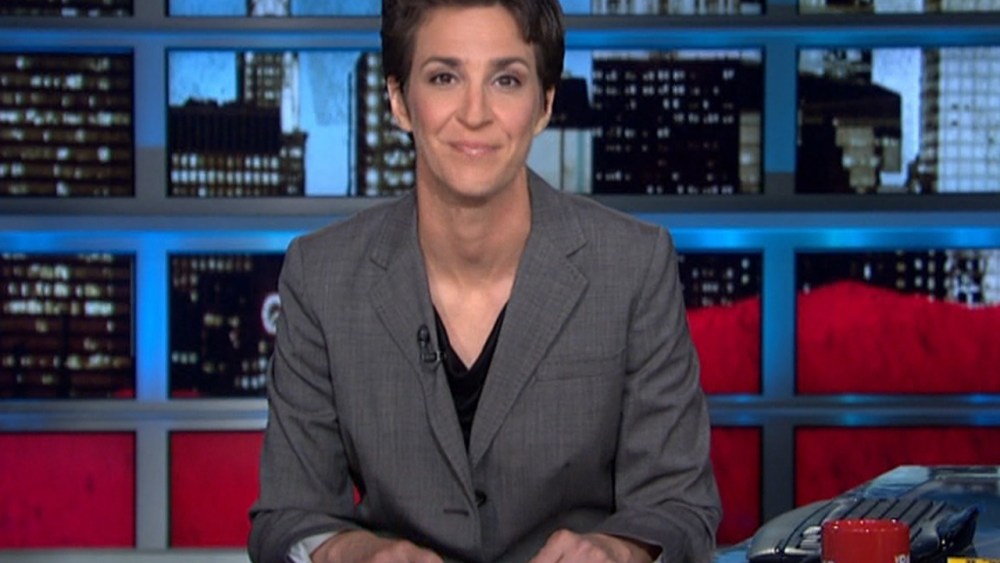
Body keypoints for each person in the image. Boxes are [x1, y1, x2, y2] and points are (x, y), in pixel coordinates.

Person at [248, 0, 721, 561]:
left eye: (506, 80)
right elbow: (287, 518)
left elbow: (680, 507)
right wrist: (355, 554)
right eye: (444, 78)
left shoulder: (633, 265)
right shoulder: (321, 275)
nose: (475, 114)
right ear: (399, 99)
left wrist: (616, 551)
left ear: (544, 104)